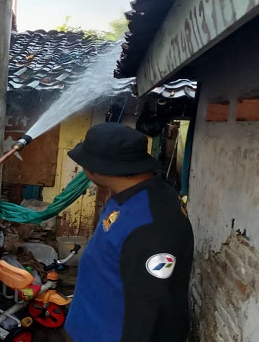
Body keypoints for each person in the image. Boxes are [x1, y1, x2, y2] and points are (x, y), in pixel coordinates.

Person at [64, 122, 194, 342]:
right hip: (90, 329)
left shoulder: (152, 224)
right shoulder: (130, 195)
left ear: (98, 168)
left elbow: (149, 309)